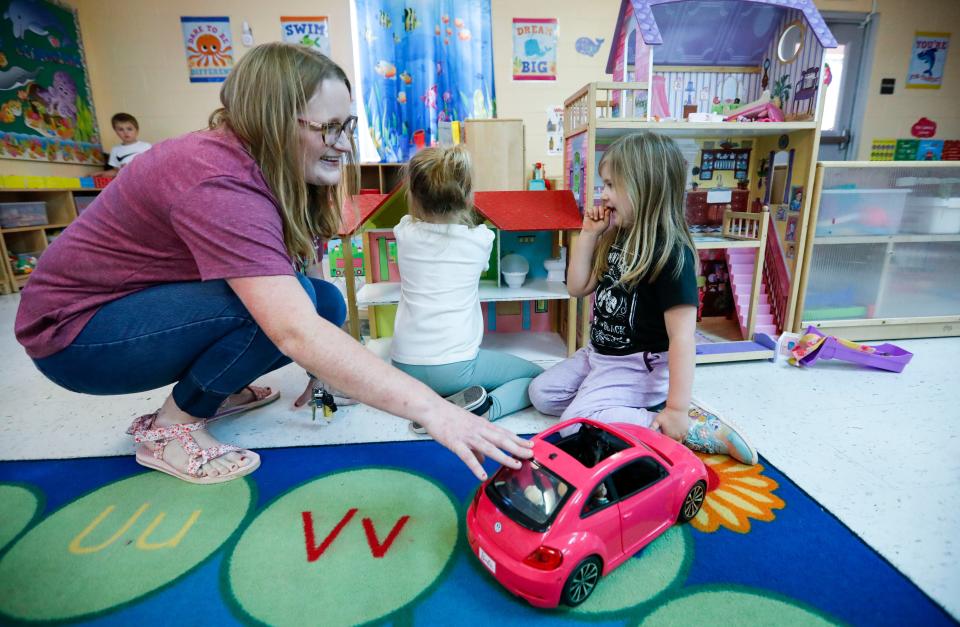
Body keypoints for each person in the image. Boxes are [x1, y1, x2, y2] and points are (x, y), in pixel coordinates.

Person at [14, 43, 531, 484]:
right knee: (283, 309)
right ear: (273, 120)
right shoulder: (218, 181)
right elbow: (292, 329)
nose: (344, 144)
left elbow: (310, 298)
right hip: (76, 337)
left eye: (346, 126)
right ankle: (169, 428)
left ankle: (217, 386)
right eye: (328, 128)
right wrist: (434, 410)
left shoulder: (257, 170)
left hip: (131, 310)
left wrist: (329, 372)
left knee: (321, 298)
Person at [528, 132, 757, 465]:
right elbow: (577, 287)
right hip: (598, 356)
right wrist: (589, 236)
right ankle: (619, 406)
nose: (602, 195)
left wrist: (676, 407)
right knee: (542, 394)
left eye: (609, 185)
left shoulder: (671, 254)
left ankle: (681, 424)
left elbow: (682, 337)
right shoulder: (616, 234)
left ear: (643, 187)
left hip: (639, 367)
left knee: (572, 427)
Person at [389, 145, 545, 434]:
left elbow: (415, 219)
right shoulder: (481, 240)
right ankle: (486, 411)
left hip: (403, 366)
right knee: (538, 377)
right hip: (457, 368)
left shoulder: (404, 233)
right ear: (467, 196)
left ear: (413, 195)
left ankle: (440, 403)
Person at [103, 113, 151, 177]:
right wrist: (101, 173)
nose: (125, 132)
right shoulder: (115, 150)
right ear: (116, 132)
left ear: (137, 130)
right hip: (125, 183)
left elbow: (152, 166)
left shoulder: (146, 146)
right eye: (121, 129)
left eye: (129, 129)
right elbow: (116, 171)